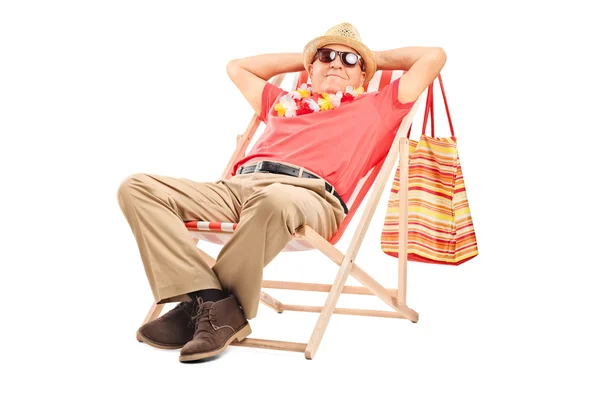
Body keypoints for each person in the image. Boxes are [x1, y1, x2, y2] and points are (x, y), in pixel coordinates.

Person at [117, 22, 446, 363]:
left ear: (363, 76)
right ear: (310, 69)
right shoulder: (283, 101)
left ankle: (200, 310)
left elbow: (434, 57)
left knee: (273, 198)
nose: (336, 63)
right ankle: (208, 299)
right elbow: (237, 67)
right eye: (326, 56)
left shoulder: (378, 106)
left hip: (310, 196)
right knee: (137, 187)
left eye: (349, 60)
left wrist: (371, 57)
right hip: (236, 189)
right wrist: (310, 59)